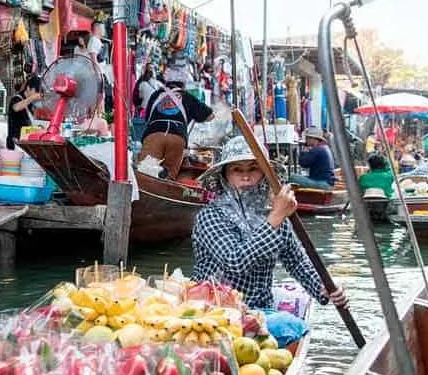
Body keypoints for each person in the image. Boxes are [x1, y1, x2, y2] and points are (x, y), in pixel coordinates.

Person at [191, 136, 347, 343]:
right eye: (237, 170)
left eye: (253, 169)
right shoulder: (211, 216)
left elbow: (297, 262)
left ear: (264, 175)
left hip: (259, 312)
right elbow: (234, 262)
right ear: (225, 176)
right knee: (291, 326)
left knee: (292, 327)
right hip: (214, 313)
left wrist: (323, 288)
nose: (245, 178)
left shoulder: (275, 217)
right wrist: (275, 217)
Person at [136, 79, 213, 180]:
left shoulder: (156, 94)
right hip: (177, 137)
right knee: (169, 177)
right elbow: (210, 115)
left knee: (145, 171)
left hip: (154, 133)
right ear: (182, 88)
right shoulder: (187, 96)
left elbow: (147, 118)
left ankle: (149, 188)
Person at [7, 74, 42, 149]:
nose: (36, 96)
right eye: (35, 92)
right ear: (28, 88)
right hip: (15, 144)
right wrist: (32, 98)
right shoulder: (16, 98)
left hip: (26, 143)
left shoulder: (31, 104)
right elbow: (16, 108)